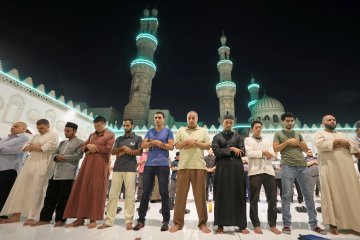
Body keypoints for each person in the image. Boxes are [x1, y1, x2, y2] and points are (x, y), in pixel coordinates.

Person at [273, 112, 325, 235]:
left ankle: (313, 224)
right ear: (282, 122)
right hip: (287, 166)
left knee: (308, 195)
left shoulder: (299, 133)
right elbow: (275, 149)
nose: (290, 123)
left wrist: (298, 143)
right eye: (287, 121)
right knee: (287, 195)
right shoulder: (278, 133)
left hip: (302, 166)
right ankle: (286, 224)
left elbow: (305, 149)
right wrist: (287, 142)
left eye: (291, 121)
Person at [0, 119, 59, 225]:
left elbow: (46, 148)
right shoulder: (36, 136)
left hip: (43, 164)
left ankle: (32, 217)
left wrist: (33, 147)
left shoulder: (54, 135)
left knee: (37, 190)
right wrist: (33, 147)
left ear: (48, 126)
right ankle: (16, 215)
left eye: (42, 128)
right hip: (29, 163)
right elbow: (24, 148)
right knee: (21, 187)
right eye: (38, 128)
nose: (39, 130)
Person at [63, 116, 115, 229]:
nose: (97, 128)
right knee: (83, 189)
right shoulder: (92, 135)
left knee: (96, 190)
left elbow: (108, 149)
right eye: (95, 126)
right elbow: (82, 147)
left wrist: (94, 147)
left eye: (99, 126)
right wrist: (87, 146)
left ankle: (93, 218)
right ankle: (80, 218)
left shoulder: (110, 135)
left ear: (104, 124)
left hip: (100, 165)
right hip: (87, 165)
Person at [31, 122, 84, 227]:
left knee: (63, 199)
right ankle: (45, 219)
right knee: (49, 197)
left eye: (68, 131)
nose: (66, 132)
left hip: (67, 175)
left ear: (74, 131)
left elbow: (78, 156)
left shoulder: (80, 142)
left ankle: (60, 220)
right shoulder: (62, 143)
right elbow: (54, 154)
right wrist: (56, 157)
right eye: (65, 130)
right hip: (55, 174)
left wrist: (62, 157)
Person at [314, 115, 360, 235]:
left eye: (334, 119)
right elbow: (320, 145)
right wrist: (338, 142)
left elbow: (354, 147)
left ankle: (355, 223)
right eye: (329, 120)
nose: (332, 121)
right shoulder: (319, 134)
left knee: (351, 195)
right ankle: (333, 224)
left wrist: (343, 143)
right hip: (330, 169)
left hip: (347, 170)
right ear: (323, 123)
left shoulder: (343, 134)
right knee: (332, 195)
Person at [169, 111, 211, 233]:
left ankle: (202, 223)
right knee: (180, 196)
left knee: (200, 197)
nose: (191, 120)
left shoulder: (203, 131)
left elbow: (208, 146)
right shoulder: (181, 130)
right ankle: (178, 223)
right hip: (183, 167)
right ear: (187, 119)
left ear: (197, 119)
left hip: (199, 167)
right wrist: (187, 142)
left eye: (193, 118)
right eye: (189, 118)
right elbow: (177, 146)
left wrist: (196, 143)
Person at [98, 118, 142, 230]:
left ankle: (128, 221)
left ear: (132, 125)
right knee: (113, 195)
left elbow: (140, 151)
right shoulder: (119, 139)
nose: (126, 127)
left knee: (130, 195)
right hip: (118, 168)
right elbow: (113, 151)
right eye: (124, 125)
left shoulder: (137, 138)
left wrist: (130, 151)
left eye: (128, 125)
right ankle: (109, 220)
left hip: (131, 168)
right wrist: (122, 148)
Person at [133, 112, 174, 232]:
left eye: (159, 118)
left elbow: (171, 146)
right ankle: (141, 220)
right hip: (149, 164)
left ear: (163, 119)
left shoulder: (168, 131)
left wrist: (159, 144)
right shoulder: (150, 131)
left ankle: (166, 221)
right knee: (145, 192)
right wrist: (154, 142)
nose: (157, 119)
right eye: (155, 118)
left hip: (162, 165)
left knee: (164, 192)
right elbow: (142, 144)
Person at [212, 113, 249, 234]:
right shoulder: (217, 137)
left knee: (238, 193)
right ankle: (220, 224)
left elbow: (243, 152)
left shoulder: (238, 137)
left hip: (236, 169)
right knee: (221, 194)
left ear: (233, 124)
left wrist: (232, 151)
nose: (228, 124)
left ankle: (241, 224)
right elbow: (216, 151)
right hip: (222, 169)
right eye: (226, 122)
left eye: (230, 122)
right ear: (222, 123)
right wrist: (232, 149)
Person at [245, 120, 281, 234]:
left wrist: (263, 153)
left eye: (260, 127)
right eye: (256, 127)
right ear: (252, 129)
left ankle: (273, 224)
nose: (258, 129)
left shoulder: (267, 140)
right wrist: (264, 152)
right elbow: (249, 153)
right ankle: (256, 224)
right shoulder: (248, 140)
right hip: (255, 171)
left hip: (268, 171)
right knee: (254, 199)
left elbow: (273, 156)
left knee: (272, 198)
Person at [0, 122, 29, 218]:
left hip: (10, 169)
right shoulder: (6, 138)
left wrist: (2, 148)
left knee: (3, 193)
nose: (12, 127)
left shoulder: (24, 139)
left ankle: (2, 215)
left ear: (24, 129)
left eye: (16, 126)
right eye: (12, 126)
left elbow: (17, 150)